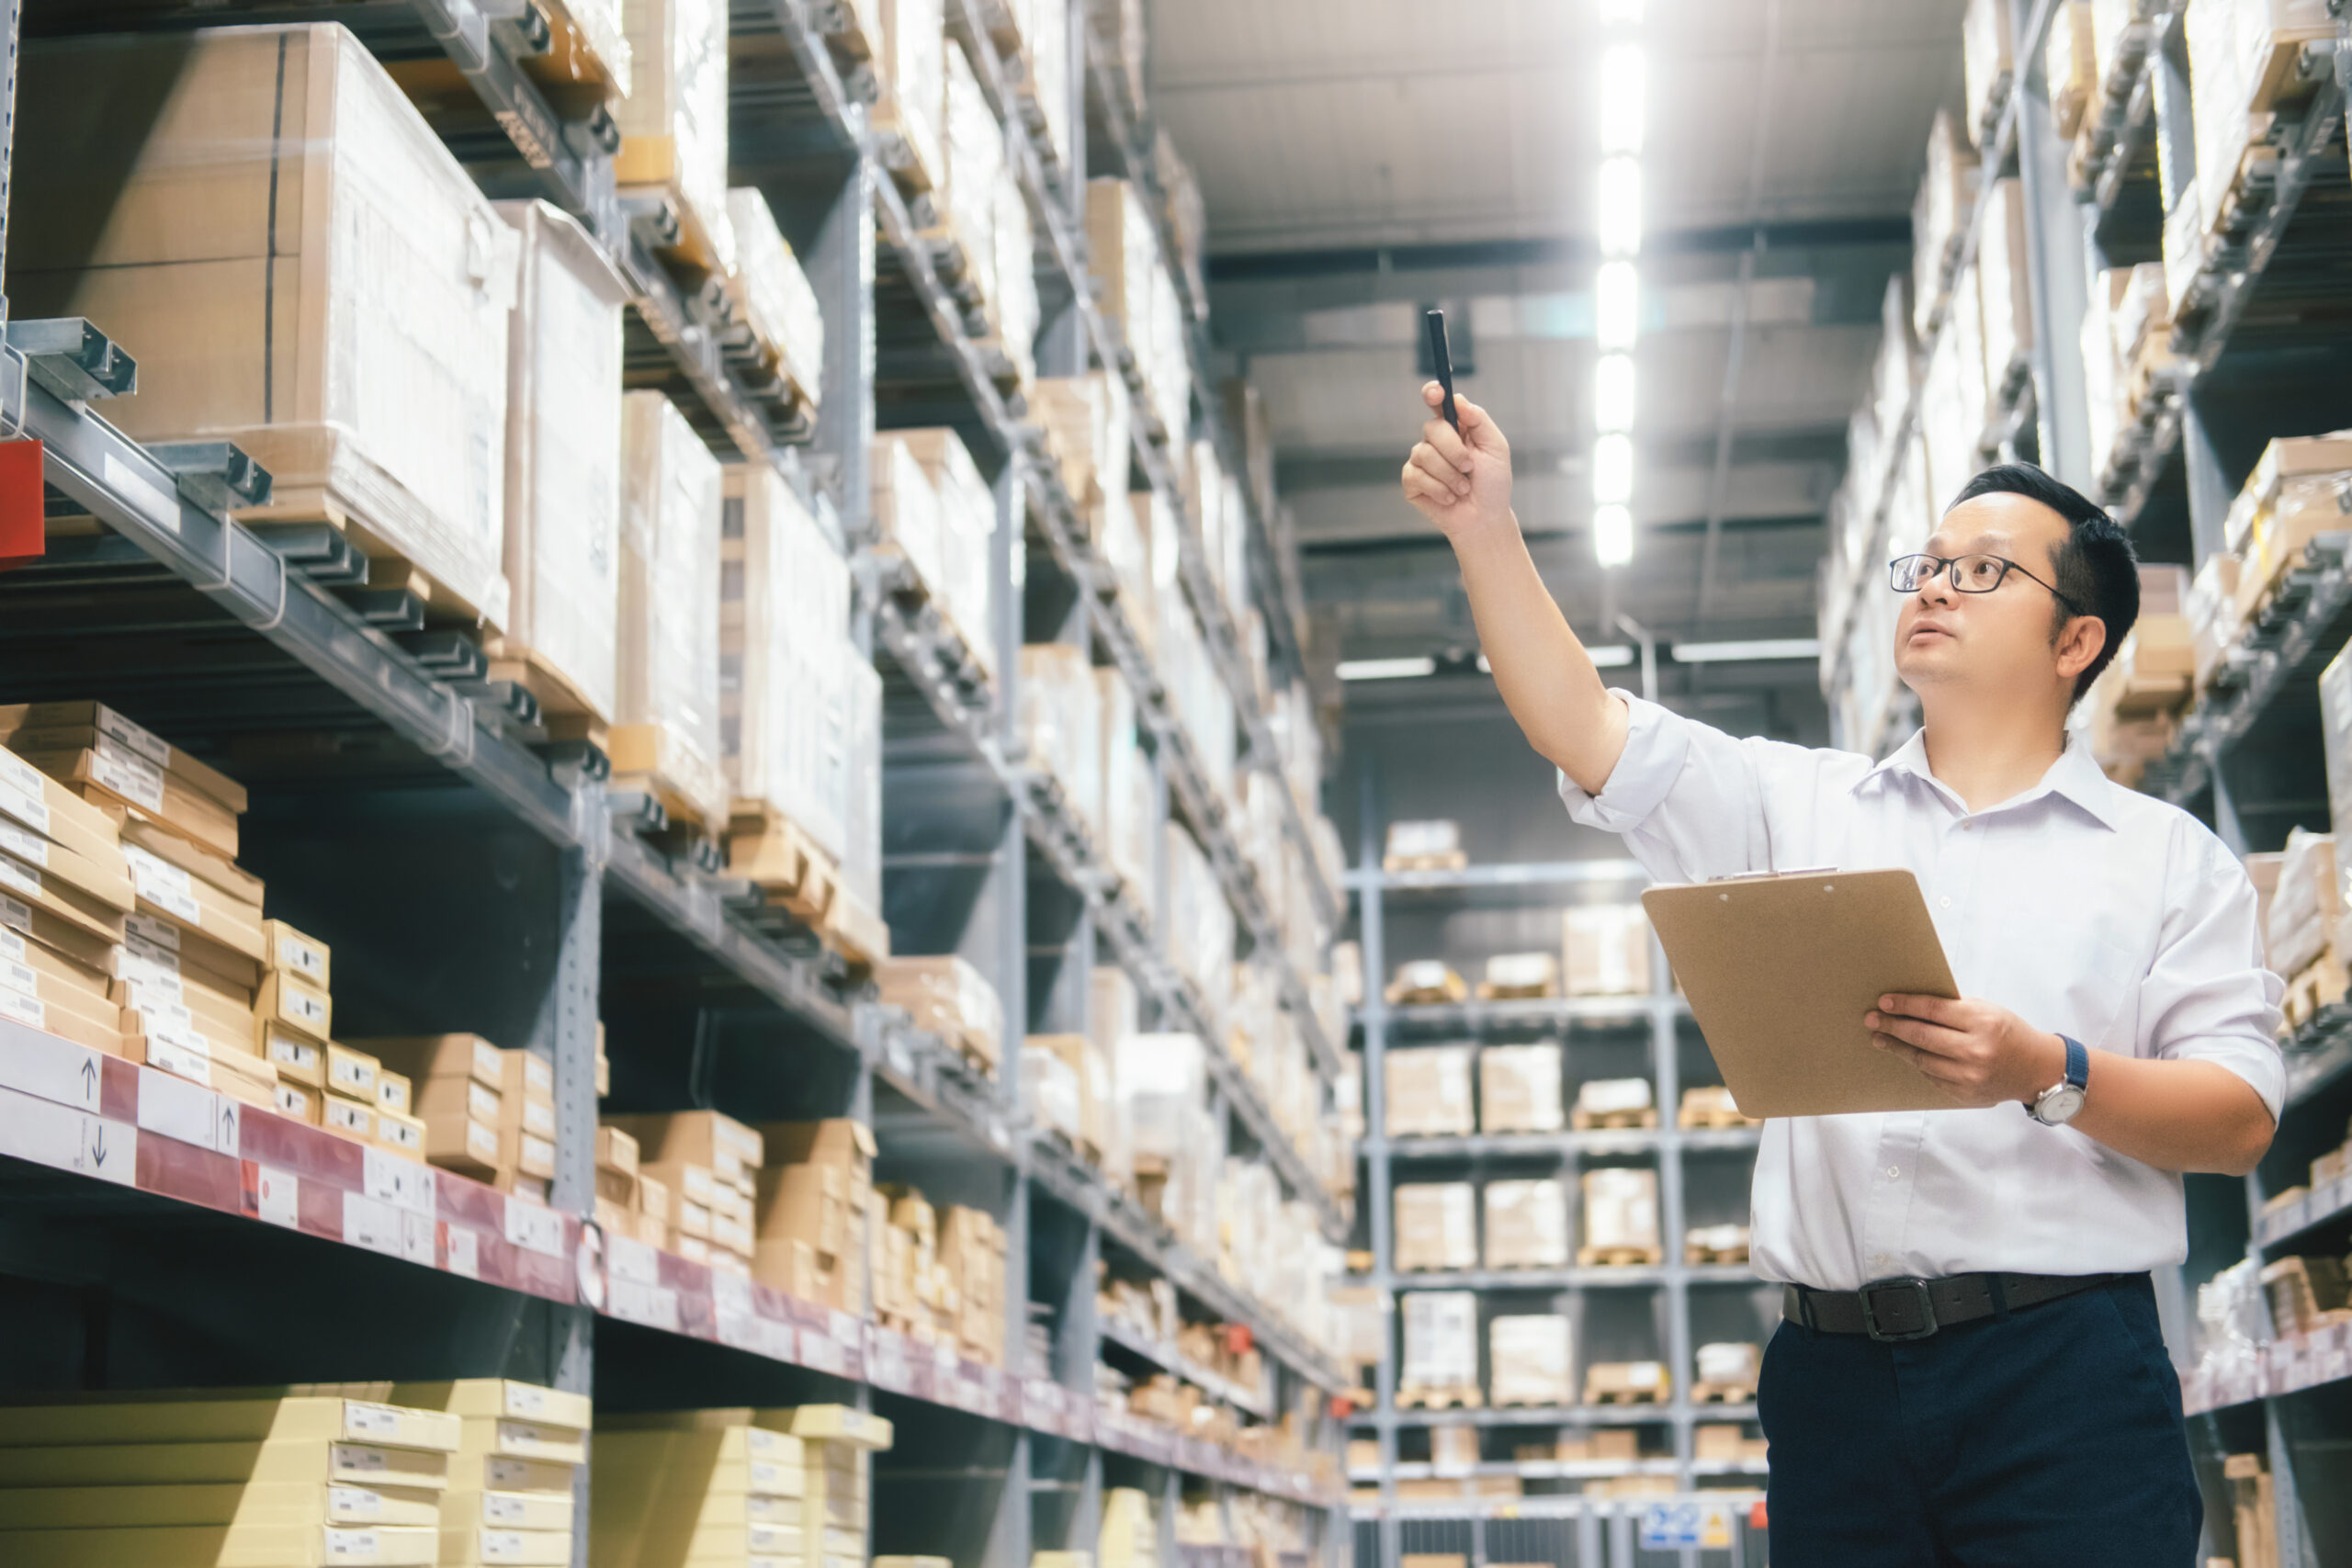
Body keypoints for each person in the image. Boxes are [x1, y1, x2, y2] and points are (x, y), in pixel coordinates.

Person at [1401, 383, 2279, 1563]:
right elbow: (1581, 724)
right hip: (1832, 1382)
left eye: (1982, 573)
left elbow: (2236, 1118)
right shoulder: (1795, 804)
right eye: (1926, 564)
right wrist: (1483, 529)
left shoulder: (2170, 861)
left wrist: (2046, 1070)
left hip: (2063, 1374)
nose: (1931, 587)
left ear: (2077, 642)